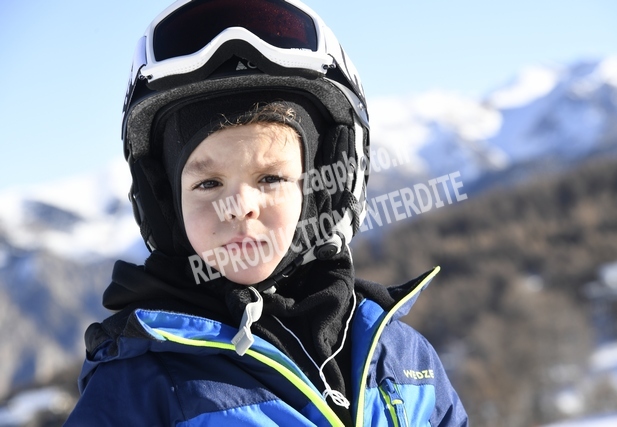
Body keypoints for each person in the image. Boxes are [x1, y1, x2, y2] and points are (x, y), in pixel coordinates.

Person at [64, 0, 468, 425]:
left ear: (322, 188)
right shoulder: (139, 386)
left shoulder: (403, 360)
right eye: (208, 184)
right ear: (164, 203)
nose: (240, 207)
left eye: (271, 178)